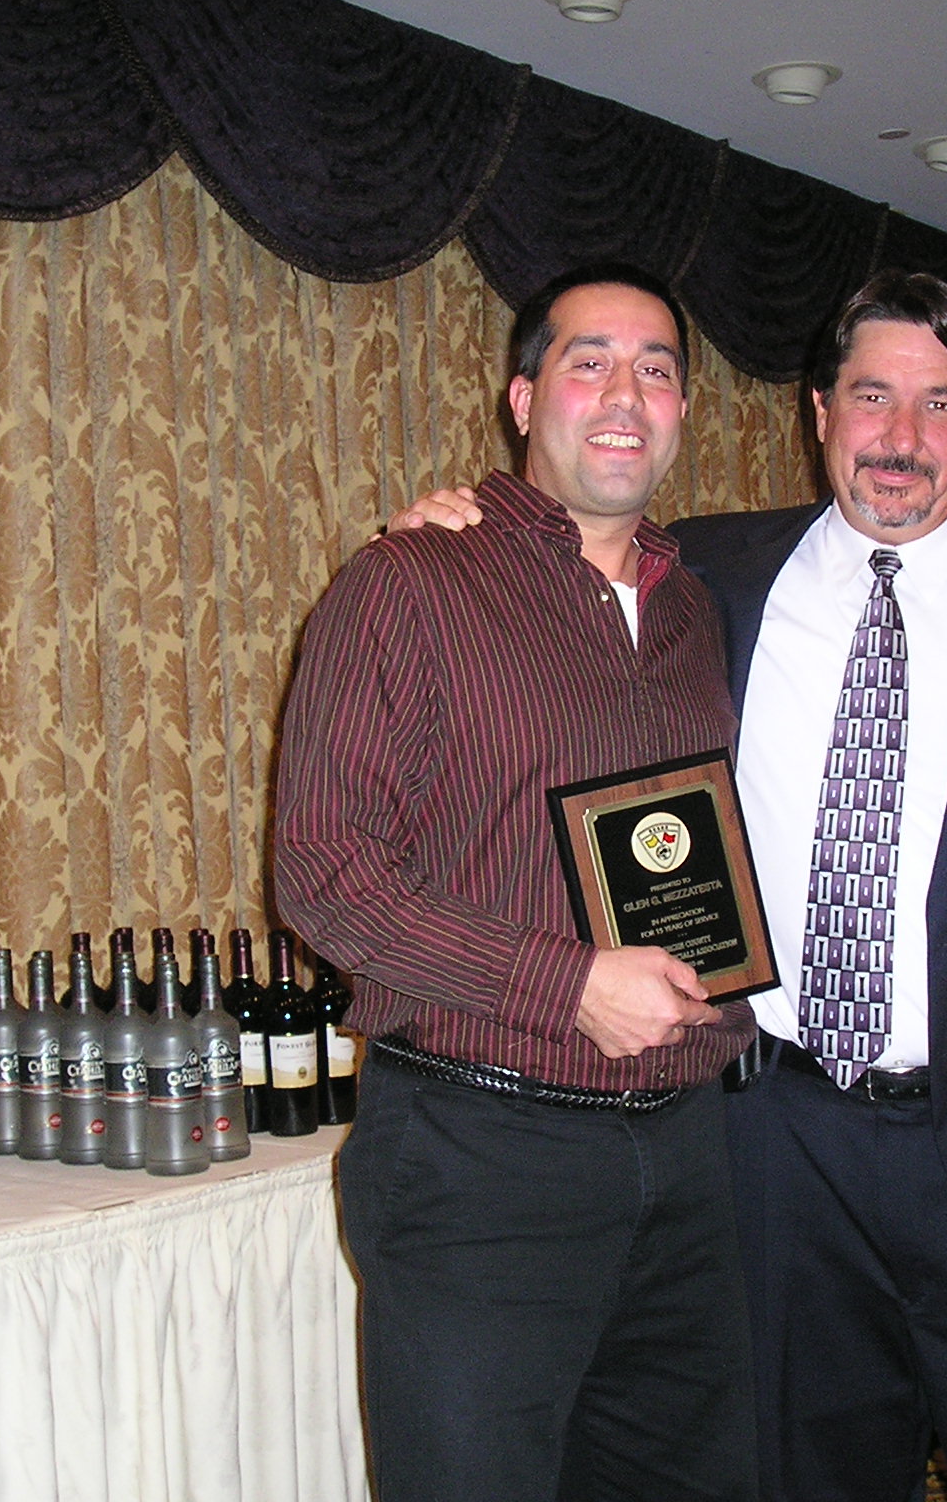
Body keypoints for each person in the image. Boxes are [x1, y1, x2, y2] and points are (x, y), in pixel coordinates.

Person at [393, 268, 947, 1501]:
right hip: (776, 1151)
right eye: (872, 397)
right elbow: (564, 553)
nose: (901, 437)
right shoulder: (708, 576)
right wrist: (459, 531)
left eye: (939, 405)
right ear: (819, 412)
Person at [274, 261, 761, 1502]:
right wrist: (568, 984)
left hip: (689, 1151)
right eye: (588, 362)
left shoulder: (695, 609)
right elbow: (325, 873)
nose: (625, 394)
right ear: (523, 397)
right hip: (483, 1159)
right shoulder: (408, 582)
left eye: (656, 370)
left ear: (682, 411)